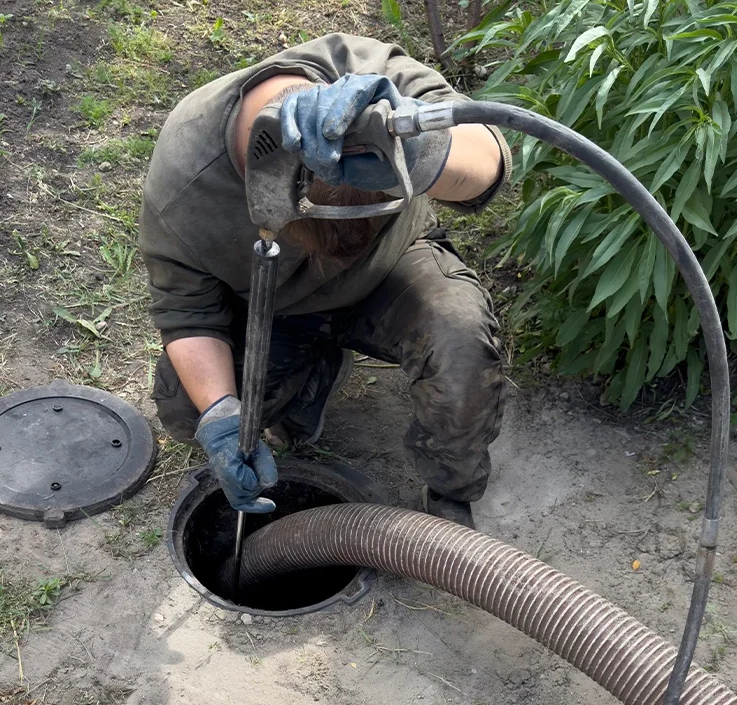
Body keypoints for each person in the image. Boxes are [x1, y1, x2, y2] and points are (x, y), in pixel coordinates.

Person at [139, 33, 510, 529]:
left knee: (460, 345)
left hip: (392, 265)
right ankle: (314, 371)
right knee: (189, 408)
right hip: (273, 306)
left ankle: (449, 490)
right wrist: (223, 416)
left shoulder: (370, 72)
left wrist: (418, 141)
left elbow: (489, 164)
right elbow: (187, 311)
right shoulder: (186, 181)